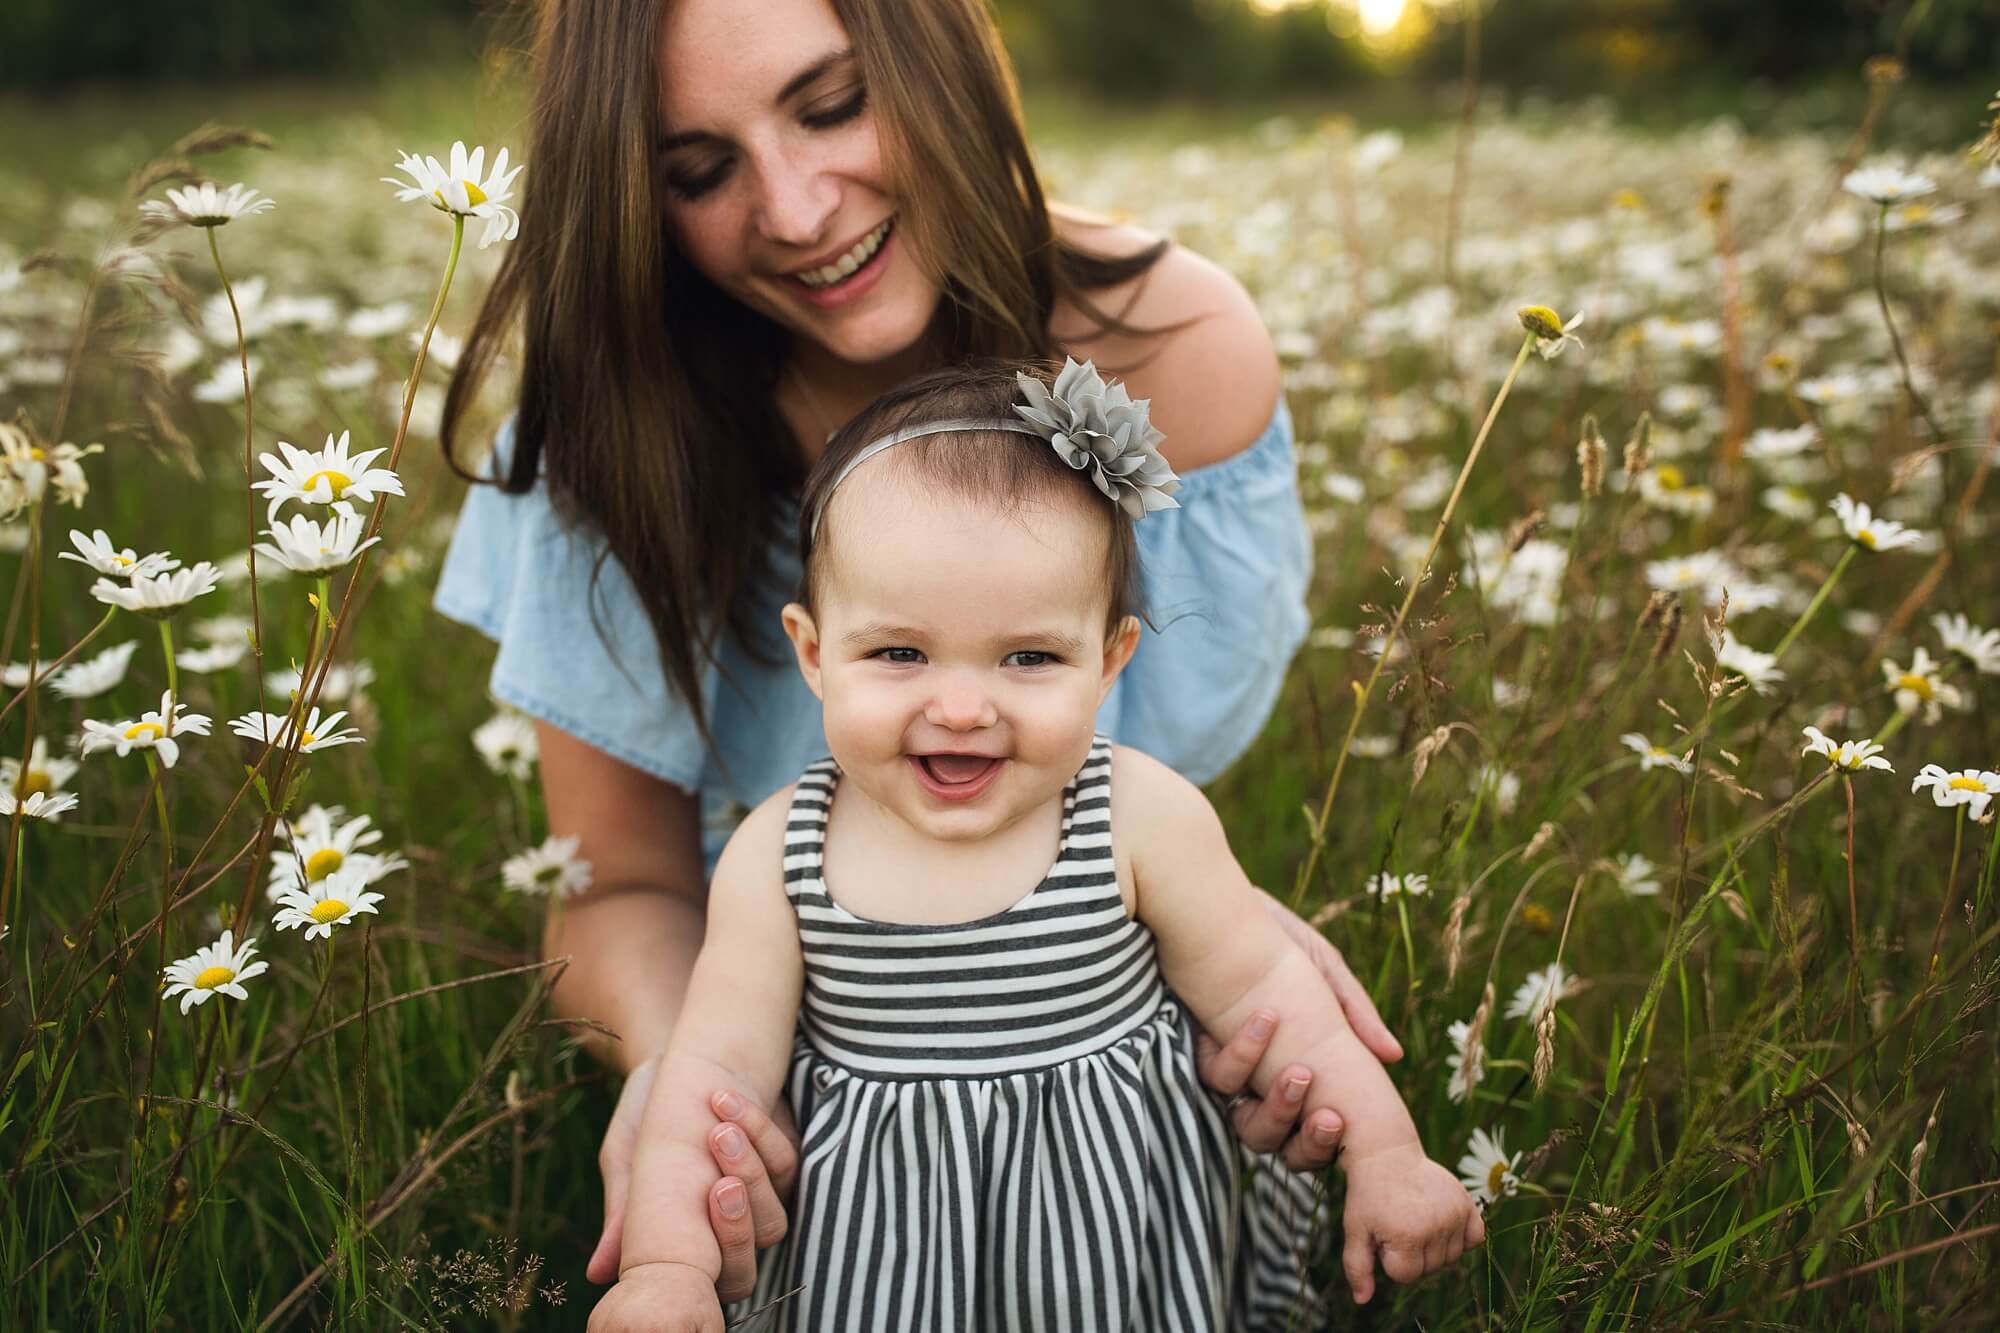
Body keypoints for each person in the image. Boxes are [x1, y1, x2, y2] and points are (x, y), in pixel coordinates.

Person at [433, 0, 1405, 1297]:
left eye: (832, 105)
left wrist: (1223, 937)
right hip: (771, 976)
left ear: (937, 55)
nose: (793, 209)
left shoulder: (1168, 360)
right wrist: (695, 1086)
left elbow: (1115, 800)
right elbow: (617, 882)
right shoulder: (615, 424)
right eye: (700, 172)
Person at [587, 361, 1481, 1332]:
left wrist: (1386, 1153)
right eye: (898, 652)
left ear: (1108, 660)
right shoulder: (783, 852)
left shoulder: (1133, 815)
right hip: (877, 1247)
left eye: (1028, 657)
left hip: (1111, 1227)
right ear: (812, 651)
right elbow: (712, 1078)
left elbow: (1277, 997)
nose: (963, 707)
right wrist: (667, 1264)